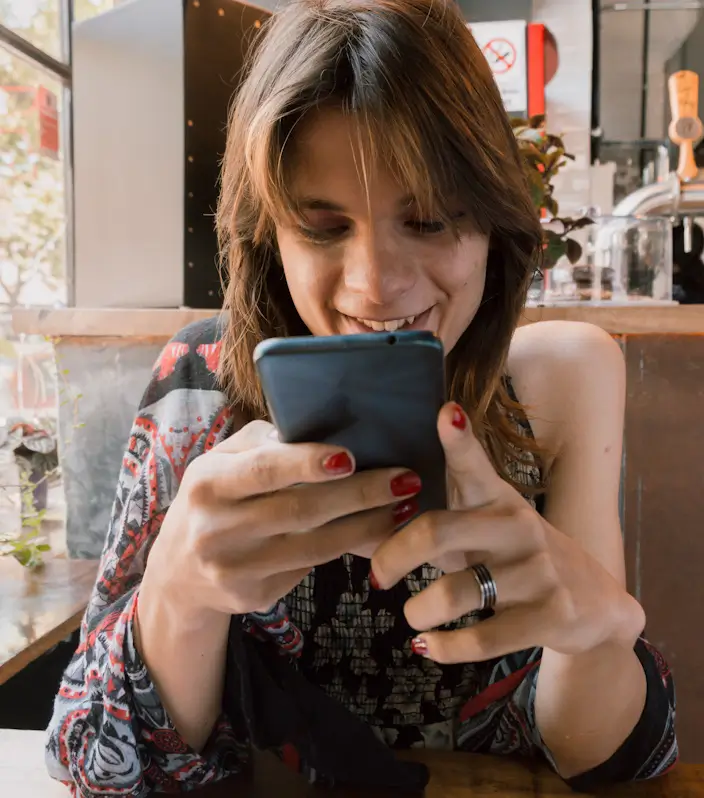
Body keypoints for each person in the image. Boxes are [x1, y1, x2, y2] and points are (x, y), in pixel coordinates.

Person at [46, 1, 677, 795]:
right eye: (323, 228)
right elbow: (88, 760)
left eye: (427, 218)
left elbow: (608, 764)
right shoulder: (202, 385)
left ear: (492, 219)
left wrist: (596, 636)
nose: (377, 282)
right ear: (268, 232)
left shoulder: (558, 383)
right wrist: (180, 592)